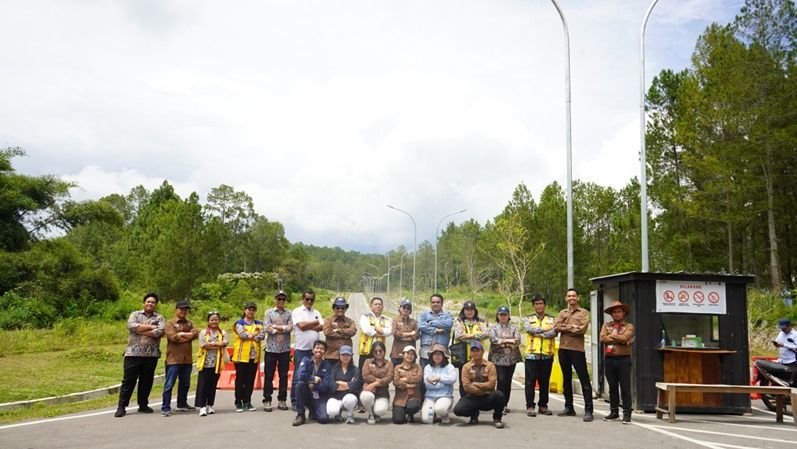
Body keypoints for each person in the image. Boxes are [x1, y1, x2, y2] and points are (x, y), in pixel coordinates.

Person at [115, 292, 165, 418]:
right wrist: (150, 327)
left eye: (153, 302)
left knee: (146, 381)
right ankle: (122, 406)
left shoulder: (159, 317)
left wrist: (141, 330)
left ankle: (143, 404)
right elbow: (132, 327)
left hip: (151, 355)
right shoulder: (135, 314)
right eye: (148, 301)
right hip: (133, 353)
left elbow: (159, 332)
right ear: (144, 303)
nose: (150, 304)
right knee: (128, 381)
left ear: (156, 305)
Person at [554, 288, 594, 422]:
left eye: (574, 296)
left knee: (584, 379)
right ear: (566, 298)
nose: (571, 298)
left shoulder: (583, 312)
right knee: (566, 379)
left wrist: (566, 327)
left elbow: (582, 329)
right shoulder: (562, 312)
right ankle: (569, 407)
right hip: (563, 349)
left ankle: (588, 410)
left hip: (577, 350)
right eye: (569, 296)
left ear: (578, 298)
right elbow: (556, 327)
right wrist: (571, 327)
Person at [453, 341, 505, 428]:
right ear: (470, 353)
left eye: (477, 350)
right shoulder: (466, 367)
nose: (475, 353)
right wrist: (482, 389)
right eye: (473, 351)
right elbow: (466, 386)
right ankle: (474, 415)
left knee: (499, 395)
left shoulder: (490, 366)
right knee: (458, 410)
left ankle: (497, 418)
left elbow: (492, 384)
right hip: (473, 397)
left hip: (487, 397)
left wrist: (476, 384)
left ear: (482, 352)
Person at [599, 300, 635, 424]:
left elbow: (626, 337)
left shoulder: (629, 326)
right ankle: (614, 412)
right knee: (612, 387)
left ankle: (627, 414)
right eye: (614, 312)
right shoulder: (606, 325)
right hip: (609, 359)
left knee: (625, 387)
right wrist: (621, 339)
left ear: (623, 313)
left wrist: (614, 337)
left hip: (623, 359)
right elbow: (602, 338)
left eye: (619, 311)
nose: (616, 314)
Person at [161, 300, 199, 416]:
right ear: (176, 309)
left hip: (186, 358)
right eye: (181, 309)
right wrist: (187, 335)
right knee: (169, 384)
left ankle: (182, 404)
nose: (183, 311)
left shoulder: (189, 323)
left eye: (185, 309)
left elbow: (196, 334)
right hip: (173, 359)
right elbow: (173, 338)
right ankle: (165, 407)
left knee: (185, 383)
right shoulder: (170, 323)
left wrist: (182, 334)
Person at [523, 294, 557, 417]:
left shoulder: (552, 319)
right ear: (533, 306)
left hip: (547, 355)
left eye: (541, 303)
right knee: (530, 382)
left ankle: (543, 405)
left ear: (545, 305)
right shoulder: (528, 318)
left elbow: (554, 332)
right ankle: (530, 406)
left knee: (544, 382)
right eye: (536, 304)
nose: (539, 306)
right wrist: (545, 330)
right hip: (532, 355)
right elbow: (529, 329)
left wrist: (539, 332)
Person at [291, 290, 324, 409]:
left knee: (312, 376)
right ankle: (295, 401)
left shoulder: (317, 312)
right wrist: (315, 322)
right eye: (307, 299)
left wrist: (309, 325)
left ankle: (308, 400)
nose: (309, 301)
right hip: (301, 349)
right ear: (303, 299)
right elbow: (302, 326)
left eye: (312, 299)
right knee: (298, 376)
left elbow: (322, 327)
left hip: (315, 350)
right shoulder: (297, 311)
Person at [231, 302, 265, 412]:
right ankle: (238, 402)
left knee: (250, 380)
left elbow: (262, 335)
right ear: (245, 310)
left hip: (253, 357)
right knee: (240, 380)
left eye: (253, 310)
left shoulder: (259, 324)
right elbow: (242, 335)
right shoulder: (239, 323)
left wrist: (251, 335)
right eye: (249, 309)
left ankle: (247, 401)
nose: (251, 312)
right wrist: (253, 335)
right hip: (241, 356)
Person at [263, 290, 293, 412]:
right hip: (271, 349)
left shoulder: (289, 313)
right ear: (275, 299)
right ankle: (267, 399)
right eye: (279, 299)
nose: (281, 301)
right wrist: (281, 329)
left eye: (283, 299)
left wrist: (276, 327)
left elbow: (290, 328)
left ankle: (282, 399)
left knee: (283, 375)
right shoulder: (268, 312)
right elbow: (267, 328)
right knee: (269, 375)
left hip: (284, 349)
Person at [292, 340, 335, 426]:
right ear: (313, 350)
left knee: (324, 419)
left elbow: (326, 386)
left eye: (322, 349)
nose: (319, 350)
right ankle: (300, 415)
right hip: (306, 392)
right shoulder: (306, 360)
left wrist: (313, 386)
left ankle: (313, 411)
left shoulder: (327, 365)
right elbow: (300, 375)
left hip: (319, 395)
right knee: (300, 384)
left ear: (325, 352)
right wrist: (313, 379)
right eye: (317, 348)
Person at [488, 305, 521, 415]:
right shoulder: (493, 327)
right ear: (497, 316)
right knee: (501, 380)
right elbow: (493, 339)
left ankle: (505, 403)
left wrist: (503, 341)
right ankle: (499, 404)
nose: (503, 317)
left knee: (508, 381)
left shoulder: (514, 327)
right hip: (498, 358)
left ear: (508, 316)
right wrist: (507, 341)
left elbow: (517, 340)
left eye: (505, 315)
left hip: (511, 358)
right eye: (501, 315)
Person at [195, 311, 228, 416]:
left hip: (217, 363)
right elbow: (203, 344)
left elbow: (225, 343)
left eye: (216, 319)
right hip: (205, 363)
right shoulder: (203, 332)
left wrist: (212, 344)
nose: (214, 321)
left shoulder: (222, 333)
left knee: (212, 385)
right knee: (203, 385)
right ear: (208, 321)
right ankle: (202, 406)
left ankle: (210, 405)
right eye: (212, 319)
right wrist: (217, 344)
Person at [452, 300, 488, 396]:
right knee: (464, 380)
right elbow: (459, 335)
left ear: (475, 310)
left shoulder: (481, 322)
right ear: (463, 310)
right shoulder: (459, 321)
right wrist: (476, 336)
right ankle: (464, 399)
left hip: (478, 356)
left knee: (478, 378)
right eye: (467, 309)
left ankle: (477, 399)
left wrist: (468, 336)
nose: (469, 311)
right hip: (463, 356)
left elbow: (485, 334)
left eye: (471, 309)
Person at [359, 341, 394, 424]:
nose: (378, 353)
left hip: (382, 393)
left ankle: (376, 413)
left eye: (380, 351)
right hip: (370, 390)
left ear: (384, 351)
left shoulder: (389, 363)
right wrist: (380, 380)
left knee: (380, 410)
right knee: (365, 396)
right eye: (375, 351)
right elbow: (365, 376)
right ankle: (371, 414)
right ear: (372, 352)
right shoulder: (367, 361)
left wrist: (375, 383)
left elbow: (389, 378)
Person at [421, 344, 457, 424]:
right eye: (435, 354)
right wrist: (442, 384)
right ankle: (433, 413)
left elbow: (453, 379)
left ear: (444, 356)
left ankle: (444, 415)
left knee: (440, 409)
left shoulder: (449, 367)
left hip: (445, 396)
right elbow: (427, 384)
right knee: (426, 420)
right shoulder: (428, 367)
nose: (437, 356)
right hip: (430, 397)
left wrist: (438, 378)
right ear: (432, 356)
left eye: (439, 354)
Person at [326, 345, 362, 424]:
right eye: (343, 355)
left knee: (350, 399)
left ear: (351, 356)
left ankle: (350, 415)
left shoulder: (355, 370)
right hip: (336, 397)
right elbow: (331, 385)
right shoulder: (333, 368)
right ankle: (338, 412)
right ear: (339, 356)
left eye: (348, 355)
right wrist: (348, 384)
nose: (345, 357)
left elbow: (356, 385)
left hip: (349, 396)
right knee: (331, 411)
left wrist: (339, 382)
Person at [418, 294, 453, 369]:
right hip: (426, 350)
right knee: (425, 376)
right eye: (433, 302)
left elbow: (449, 324)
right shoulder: (424, 314)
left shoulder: (447, 315)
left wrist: (431, 322)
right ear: (430, 303)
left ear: (442, 303)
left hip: (442, 351)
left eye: (438, 302)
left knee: (442, 376)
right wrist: (435, 330)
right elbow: (420, 325)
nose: (435, 304)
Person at [392, 345, 423, 424]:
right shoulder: (397, 367)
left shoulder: (417, 367)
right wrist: (408, 385)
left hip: (413, 396)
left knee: (413, 406)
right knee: (398, 420)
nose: (410, 356)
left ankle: (410, 414)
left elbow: (419, 378)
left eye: (412, 354)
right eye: (408, 353)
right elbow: (395, 381)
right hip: (400, 398)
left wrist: (405, 379)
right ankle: (401, 412)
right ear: (403, 354)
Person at [323, 297, 357, 364]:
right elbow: (327, 333)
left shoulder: (350, 321)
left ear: (346, 309)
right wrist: (346, 335)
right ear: (334, 308)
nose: (340, 310)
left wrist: (338, 330)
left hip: (346, 356)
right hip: (331, 356)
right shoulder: (328, 320)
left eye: (342, 308)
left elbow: (353, 331)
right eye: (338, 308)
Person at [390, 299, 419, 366]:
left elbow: (416, 336)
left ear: (410, 311)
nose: (406, 310)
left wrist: (402, 336)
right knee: (396, 374)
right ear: (400, 308)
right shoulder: (395, 320)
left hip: (410, 355)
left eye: (408, 308)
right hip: (397, 353)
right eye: (404, 307)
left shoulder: (414, 322)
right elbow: (395, 334)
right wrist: (410, 334)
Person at [773, 318, 797, 385]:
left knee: (792, 381)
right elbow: (778, 342)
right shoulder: (781, 333)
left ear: (789, 326)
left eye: (784, 328)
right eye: (781, 328)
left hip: (792, 361)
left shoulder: (795, 335)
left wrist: (784, 345)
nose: (783, 330)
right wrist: (776, 344)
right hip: (781, 360)